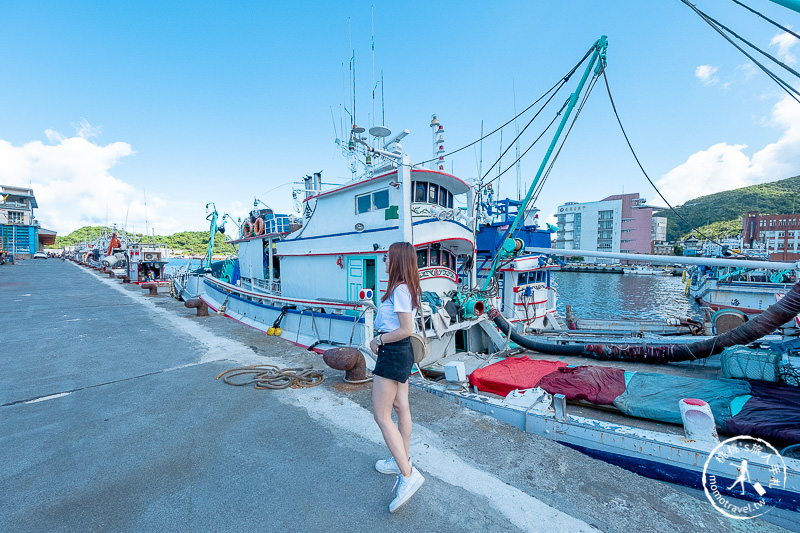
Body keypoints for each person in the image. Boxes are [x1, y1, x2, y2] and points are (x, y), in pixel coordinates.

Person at [369, 241, 425, 513]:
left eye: (388, 257)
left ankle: (407, 473)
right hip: (402, 353)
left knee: (381, 415)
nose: (385, 261)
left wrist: (379, 339)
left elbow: (405, 328)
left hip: (393, 352)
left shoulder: (400, 288)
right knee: (402, 407)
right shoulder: (408, 287)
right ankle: (400, 458)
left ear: (398, 260)